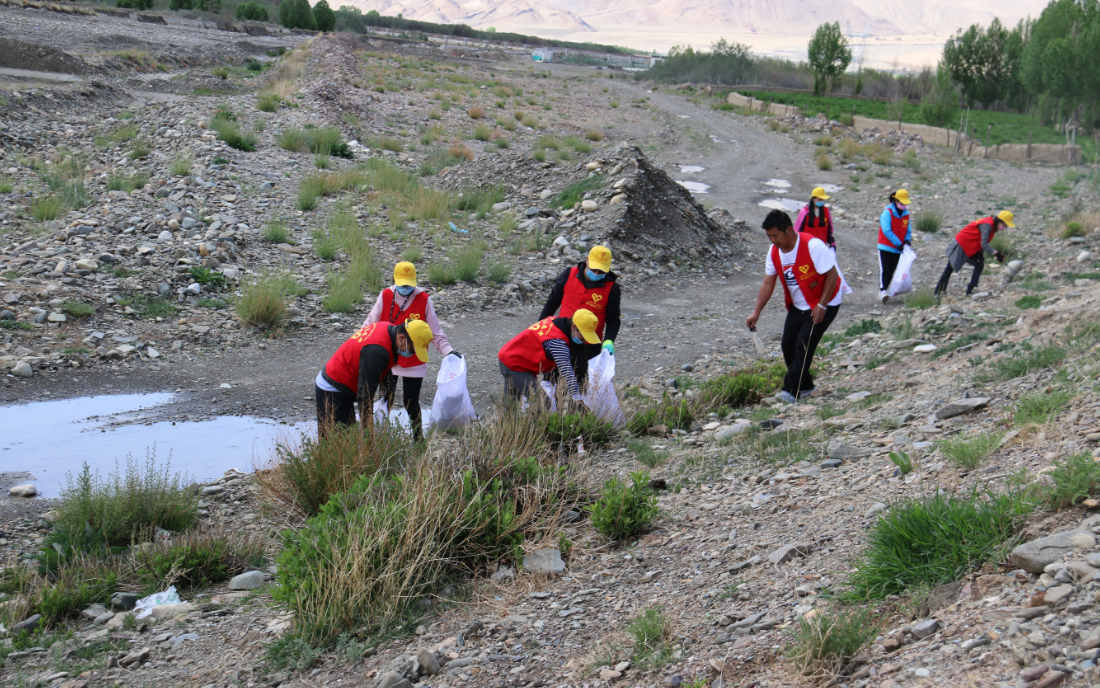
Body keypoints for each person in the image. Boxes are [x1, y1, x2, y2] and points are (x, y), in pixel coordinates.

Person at [746, 209, 847, 405]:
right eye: (769, 236)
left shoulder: (813, 246)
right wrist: (756, 312)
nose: (772, 240)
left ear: (789, 230)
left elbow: (833, 275)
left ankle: (790, 392)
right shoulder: (774, 251)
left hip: (824, 303)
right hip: (798, 305)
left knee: (803, 344)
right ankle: (807, 387)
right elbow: (768, 283)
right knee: (787, 345)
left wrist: (822, 304)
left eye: (775, 235)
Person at [361, 261, 457, 440]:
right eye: (402, 283)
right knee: (384, 401)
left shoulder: (424, 300)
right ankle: (381, 439)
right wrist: (359, 343)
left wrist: (449, 352)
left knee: (410, 403)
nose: (405, 287)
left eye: (409, 284)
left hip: (414, 360)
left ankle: (418, 439)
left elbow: (436, 333)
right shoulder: (385, 296)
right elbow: (369, 324)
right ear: (394, 279)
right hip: (389, 359)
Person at [315, 318, 434, 435]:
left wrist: (388, 389)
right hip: (332, 387)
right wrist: (368, 435)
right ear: (402, 338)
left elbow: (385, 367)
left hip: (344, 385)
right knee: (335, 441)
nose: (413, 354)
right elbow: (365, 394)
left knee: (348, 437)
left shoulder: (387, 329)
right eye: (413, 349)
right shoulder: (377, 351)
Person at [498, 308, 600, 404]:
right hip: (515, 365)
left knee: (510, 406)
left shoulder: (555, 321)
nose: (585, 340)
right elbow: (566, 370)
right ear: (573, 327)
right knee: (543, 403)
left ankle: (509, 422)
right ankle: (537, 423)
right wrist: (577, 399)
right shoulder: (558, 341)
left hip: (509, 357)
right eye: (584, 335)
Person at [539, 245, 620, 359]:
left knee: (584, 377)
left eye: (601, 271)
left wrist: (608, 341)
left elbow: (613, 320)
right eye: (593, 269)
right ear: (587, 260)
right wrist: (540, 328)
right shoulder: (569, 274)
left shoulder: (612, 288)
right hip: (561, 339)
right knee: (555, 375)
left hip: (590, 345)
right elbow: (552, 302)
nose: (596, 273)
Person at [935, 211, 1015, 297]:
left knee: (979, 263)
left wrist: (981, 254)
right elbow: (984, 243)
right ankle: (938, 292)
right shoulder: (987, 225)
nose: (1005, 227)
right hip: (962, 244)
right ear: (999, 221)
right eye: (1005, 225)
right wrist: (996, 253)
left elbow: (979, 239)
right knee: (949, 268)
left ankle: (969, 290)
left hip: (972, 246)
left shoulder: (992, 226)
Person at [877, 189, 912, 304]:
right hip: (885, 247)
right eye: (902, 203)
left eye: (905, 203)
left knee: (892, 270)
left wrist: (907, 240)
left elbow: (908, 230)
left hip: (898, 249)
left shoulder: (906, 215)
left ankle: (885, 290)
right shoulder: (887, 212)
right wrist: (898, 243)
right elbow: (886, 230)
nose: (904, 205)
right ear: (896, 201)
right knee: (885, 269)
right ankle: (882, 291)